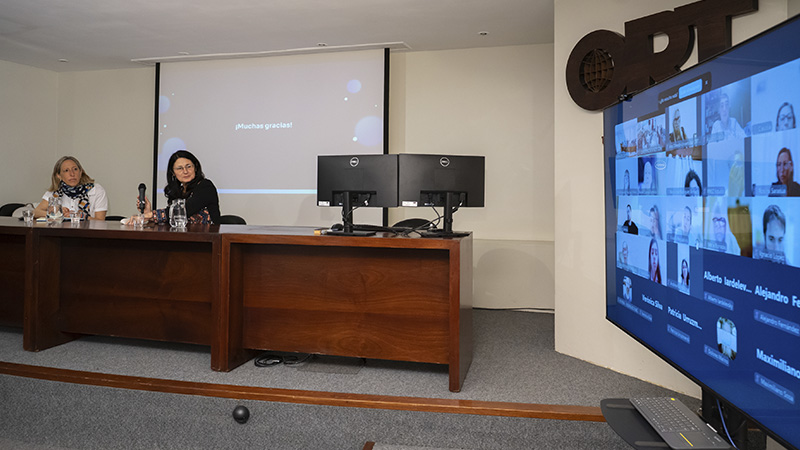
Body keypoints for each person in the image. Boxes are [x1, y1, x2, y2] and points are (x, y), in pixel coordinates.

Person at [137, 150, 221, 224]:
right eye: (179, 168)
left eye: (188, 166)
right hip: (184, 237)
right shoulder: (179, 191)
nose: (185, 171)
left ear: (195, 167)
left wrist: (151, 215)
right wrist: (148, 213)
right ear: (173, 172)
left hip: (208, 238)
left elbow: (185, 210)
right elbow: (172, 219)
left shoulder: (206, 186)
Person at [34, 156, 108, 220]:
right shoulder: (55, 192)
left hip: (88, 234)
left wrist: (80, 216)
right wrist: (56, 213)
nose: (72, 174)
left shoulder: (96, 190)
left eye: (75, 169)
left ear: (80, 172)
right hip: (60, 233)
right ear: (59, 176)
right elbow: (36, 212)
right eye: (66, 170)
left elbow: (100, 221)